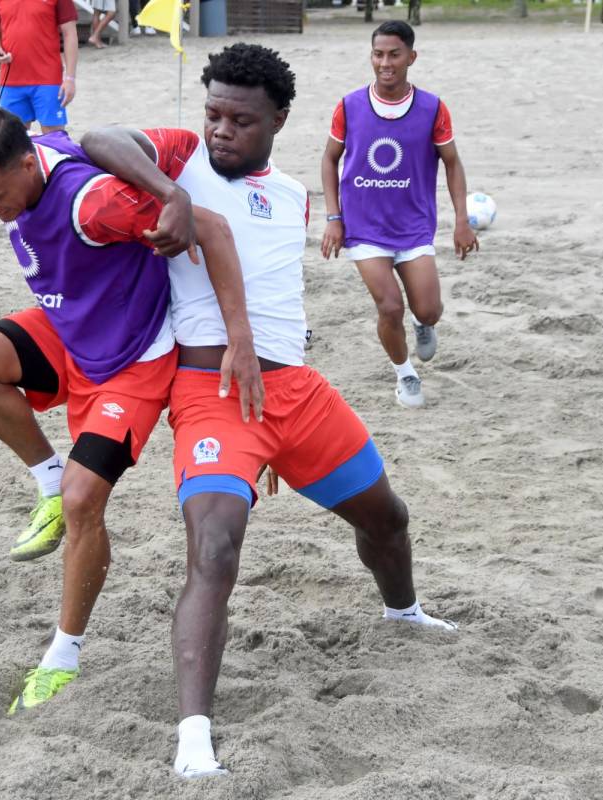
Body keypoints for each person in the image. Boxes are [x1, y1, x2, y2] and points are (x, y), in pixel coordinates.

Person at [80, 42, 457, 779]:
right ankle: (195, 737)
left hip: (295, 393)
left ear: (279, 119)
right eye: (213, 113)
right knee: (215, 549)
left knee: (389, 519)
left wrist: (278, 439)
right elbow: (98, 138)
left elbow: (281, 297)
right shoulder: (179, 165)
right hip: (211, 395)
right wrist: (173, 192)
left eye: (240, 119)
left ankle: (403, 613)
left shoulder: (290, 195)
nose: (221, 129)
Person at [0, 96, 264, 713]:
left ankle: (63, 655)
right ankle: (47, 480)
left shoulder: (97, 205)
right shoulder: (12, 140)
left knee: (89, 502)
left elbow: (209, 224)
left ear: (29, 165)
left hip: (131, 363)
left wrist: (239, 338)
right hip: (70, 332)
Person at [320, 21, 478, 409]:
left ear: (411, 57)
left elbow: (452, 163)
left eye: (394, 54)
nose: (385, 63)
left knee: (428, 309)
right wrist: (333, 218)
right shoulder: (349, 105)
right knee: (390, 306)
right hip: (363, 228)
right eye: (378, 54)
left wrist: (461, 220)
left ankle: (423, 325)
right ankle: (405, 374)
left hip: (413, 227)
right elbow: (329, 159)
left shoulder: (432, 108)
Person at [0, 0, 79, 134]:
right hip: (10, 81)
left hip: (48, 79)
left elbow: (70, 34)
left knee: (54, 139)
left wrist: (70, 78)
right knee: (13, 140)